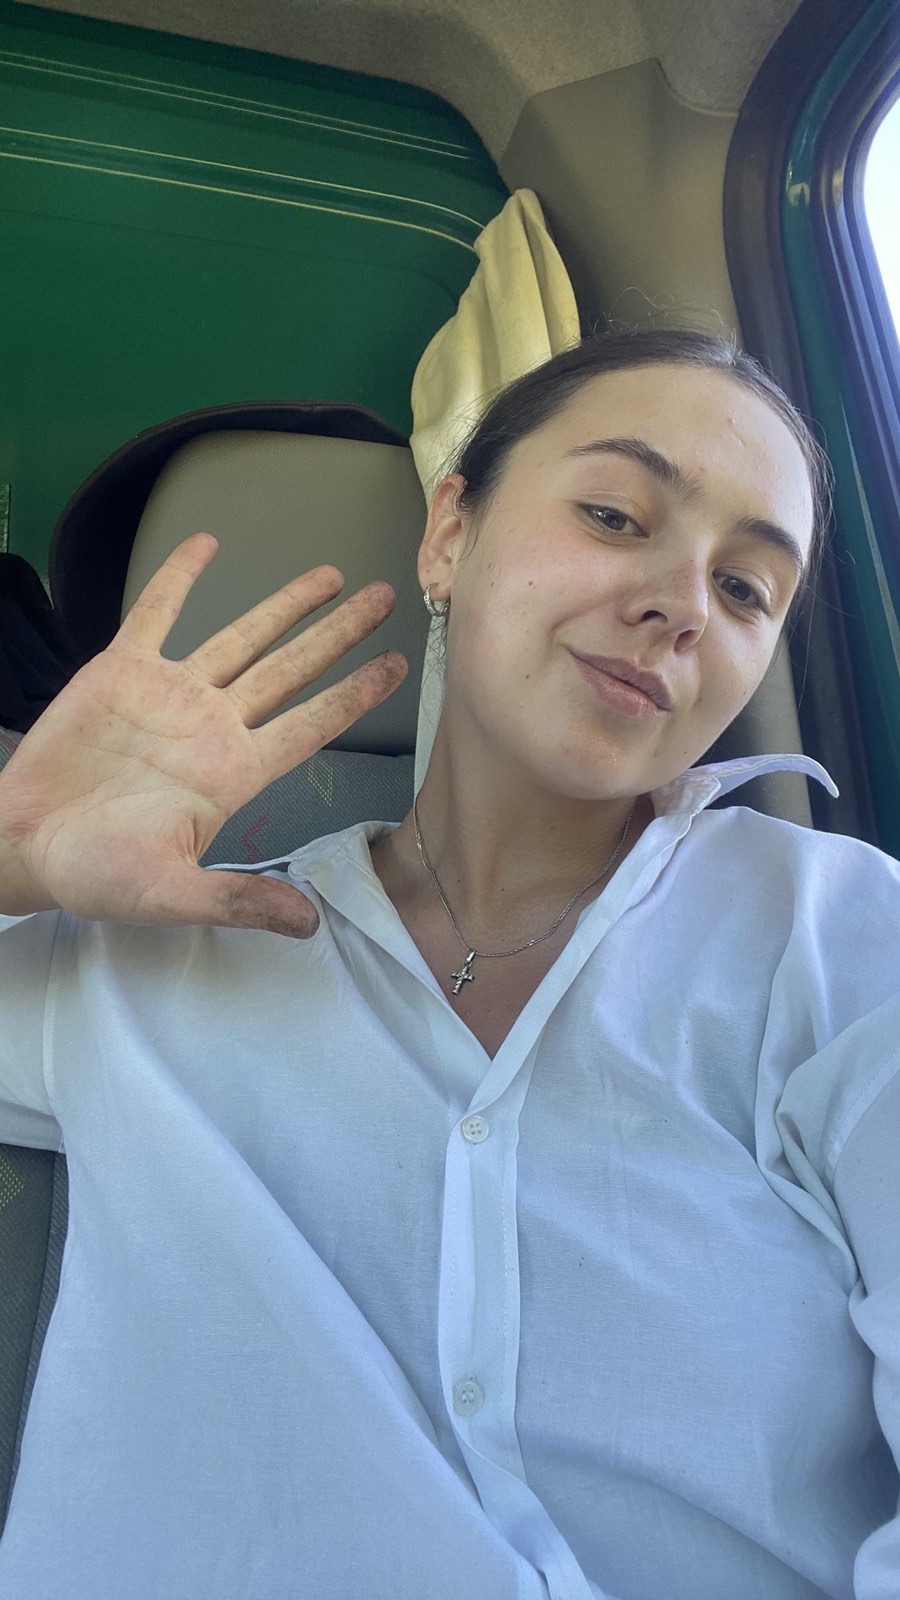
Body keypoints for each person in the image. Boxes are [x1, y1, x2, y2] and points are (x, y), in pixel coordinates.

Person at [0, 329, 897, 1600]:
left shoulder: (844, 934)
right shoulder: (146, 948)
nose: (685, 604)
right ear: (448, 536)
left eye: (748, 589)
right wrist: (12, 856)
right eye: (614, 514)